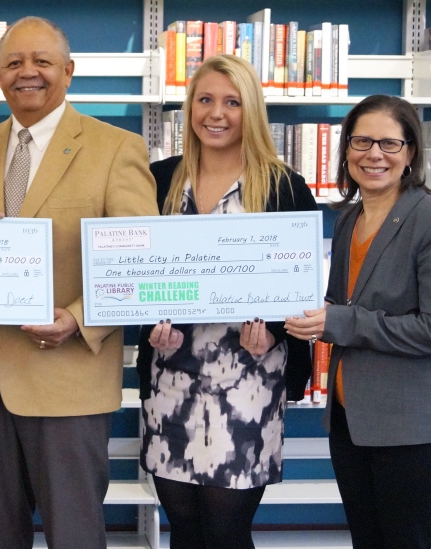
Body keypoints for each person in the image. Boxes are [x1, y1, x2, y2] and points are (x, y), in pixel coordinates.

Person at [0, 16, 158, 548]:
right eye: (14, 63)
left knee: (75, 536)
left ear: (68, 71)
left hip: (69, 384)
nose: (27, 73)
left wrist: (78, 319)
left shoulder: (116, 148)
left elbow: (140, 260)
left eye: (41, 61)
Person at [135, 54, 316, 549]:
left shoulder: (284, 186)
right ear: (189, 108)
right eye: (205, 99)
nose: (216, 113)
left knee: (226, 529)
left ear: (250, 110)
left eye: (232, 102)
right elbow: (134, 273)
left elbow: (302, 285)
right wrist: (148, 324)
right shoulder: (158, 180)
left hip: (248, 381)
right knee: (184, 526)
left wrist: (275, 330)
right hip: (171, 376)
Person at [285, 94, 431, 549]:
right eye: (362, 141)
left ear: (410, 153)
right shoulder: (348, 220)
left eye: (390, 144)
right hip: (353, 420)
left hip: (415, 426)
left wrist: (340, 321)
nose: (374, 154)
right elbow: (337, 304)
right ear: (346, 150)